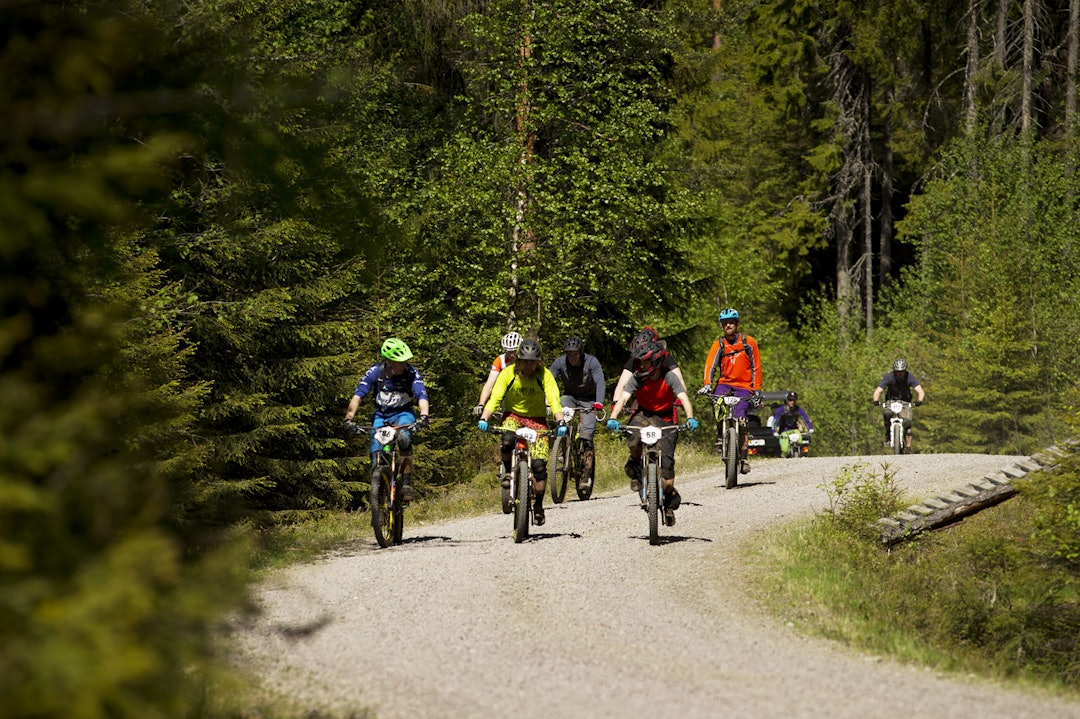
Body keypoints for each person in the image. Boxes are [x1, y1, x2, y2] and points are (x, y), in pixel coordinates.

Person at [606, 340, 698, 527]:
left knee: (667, 468)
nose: (641, 365)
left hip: (664, 418)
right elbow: (624, 397)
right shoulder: (638, 377)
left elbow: (684, 398)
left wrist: (690, 417)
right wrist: (613, 417)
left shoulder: (669, 376)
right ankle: (635, 465)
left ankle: (669, 501)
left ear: (655, 362)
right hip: (643, 414)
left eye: (645, 362)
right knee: (633, 437)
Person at [477, 339, 566, 526]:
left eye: (532, 362)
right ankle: (508, 472)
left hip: (537, 421)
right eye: (525, 361)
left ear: (538, 362)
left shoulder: (545, 375)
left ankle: (539, 505)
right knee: (507, 439)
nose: (528, 365)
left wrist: (560, 420)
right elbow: (496, 397)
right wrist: (484, 417)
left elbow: (554, 398)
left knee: (540, 466)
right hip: (513, 416)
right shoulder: (508, 374)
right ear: (518, 360)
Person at [344, 338, 430, 503]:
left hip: (403, 414)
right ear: (389, 361)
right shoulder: (375, 372)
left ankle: (406, 483)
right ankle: (379, 494)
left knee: (404, 437)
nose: (404, 365)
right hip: (381, 416)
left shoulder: (411, 373)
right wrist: (349, 418)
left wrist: (424, 415)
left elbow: (421, 394)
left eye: (405, 361)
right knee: (376, 449)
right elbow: (358, 395)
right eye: (400, 362)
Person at [699, 308, 762, 473]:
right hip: (725, 384)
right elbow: (710, 365)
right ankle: (721, 434)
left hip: (744, 386)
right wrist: (707, 384)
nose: (728, 325)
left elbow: (756, 367)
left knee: (741, 418)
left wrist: (757, 391)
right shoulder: (719, 344)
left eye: (731, 322)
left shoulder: (749, 342)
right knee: (717, 402)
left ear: (737, 323)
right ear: (721, 325)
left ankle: (743, 457)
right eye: (725, 323)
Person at [548, 336, 606, 490]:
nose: (572, 357)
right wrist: (546, 400)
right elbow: (548, 380)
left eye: (575, 354)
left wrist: (599, 402)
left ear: (581, 353)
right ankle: (562, 445)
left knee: (587, 436)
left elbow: (600, 381)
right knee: (559, 414)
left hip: (589, 400)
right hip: (570, 397)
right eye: (569, 354)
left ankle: (586, 475)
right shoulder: (560, 362)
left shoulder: (592, 362)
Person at [612, 326, 686, 412]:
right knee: (633, 418)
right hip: (644, 402)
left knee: (673, 421)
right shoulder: (634, 361)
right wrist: (616, 402)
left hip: (664, 401)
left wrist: (680, 399)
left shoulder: (666, 357)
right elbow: (622, 384)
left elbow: (679, 380)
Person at [872, 358, 925, 451]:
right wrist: (875, 400)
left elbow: (920, 391)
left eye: (902, 371)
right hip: (891, 401)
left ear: (905, 370)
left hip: (905, 403)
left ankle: (908, 447)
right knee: (887, 414)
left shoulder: (910, 377)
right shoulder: (889, 377)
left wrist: (919, 400)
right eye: (897, 372)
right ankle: (888, 434)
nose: (900, 374)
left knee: (907, 423)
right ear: (894, 371)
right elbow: (878, 390)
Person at [473, 331, 523, 416]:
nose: (511, 355)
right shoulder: (500, 360)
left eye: (514, 351)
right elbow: (489, 384)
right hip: (507, 394)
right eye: (508, 352)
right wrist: (481, 403)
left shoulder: (526, 360)